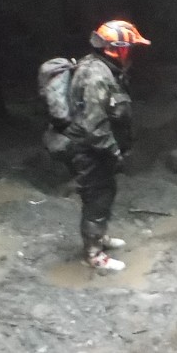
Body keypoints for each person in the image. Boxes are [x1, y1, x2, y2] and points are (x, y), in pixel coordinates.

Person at [61, 19, 151, 272]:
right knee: (96, 198)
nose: (131, 53)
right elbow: (94, 126)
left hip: (99, 149)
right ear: (118, 48)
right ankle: (94, 254)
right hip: (91, 151)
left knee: (105, 193)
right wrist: (114, 153)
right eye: (129, 48)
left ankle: (99, 237)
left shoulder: (104, 68)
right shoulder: (96, 76)